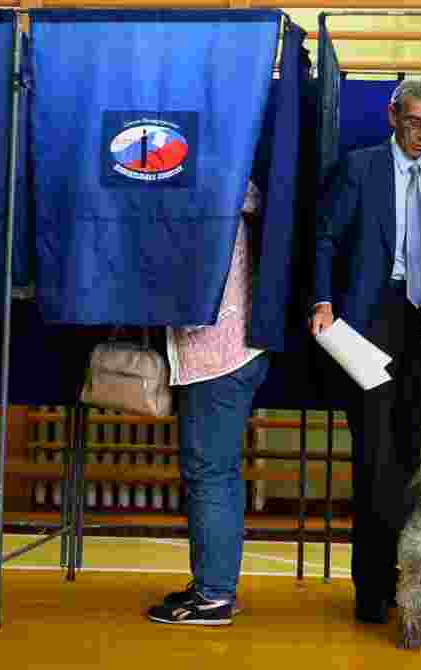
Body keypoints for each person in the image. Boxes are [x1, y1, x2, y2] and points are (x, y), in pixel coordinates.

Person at [310, 79, 421, 624]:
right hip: (364, 325)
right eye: (415, 122)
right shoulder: (360, 167)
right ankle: (371, 591)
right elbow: (324, 237)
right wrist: (323, 302)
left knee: (406, 461)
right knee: (374, 458)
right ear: (392, 115)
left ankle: (405, 583)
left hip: (416, 324)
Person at [147, 180, 270, 626]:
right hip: (235, 351)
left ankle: (215, 595)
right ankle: (212, 585)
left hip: (216, 356)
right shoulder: (240, 192)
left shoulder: (215, 199)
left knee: (209, 472)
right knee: (218, 471)